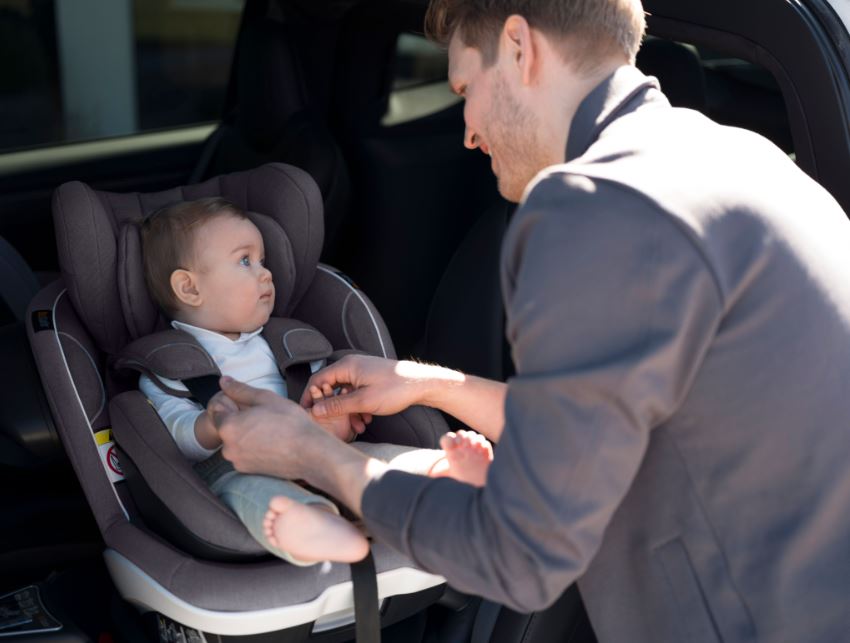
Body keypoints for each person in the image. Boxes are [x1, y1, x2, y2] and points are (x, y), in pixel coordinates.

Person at [210, 0, 850, 640]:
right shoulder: (747, 159)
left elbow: (521, 555)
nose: (467, 130)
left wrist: (313, 455)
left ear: (519, 47)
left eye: (465, 89)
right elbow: (601, 426)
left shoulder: (594, 202)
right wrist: (428, 384)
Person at [138, 197, 493, 566]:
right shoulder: (171, 367)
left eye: (263, 261)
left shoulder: (289, 346)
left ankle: (437, 472)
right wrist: (212, 424)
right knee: (251, 492)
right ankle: (316, 525)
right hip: (234, 465)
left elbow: (326, 421)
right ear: (189, 288)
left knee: (369, 457)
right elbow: (175, 437)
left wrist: (333, 418)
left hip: (312, 450)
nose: (266, 273)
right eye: (245, 261)